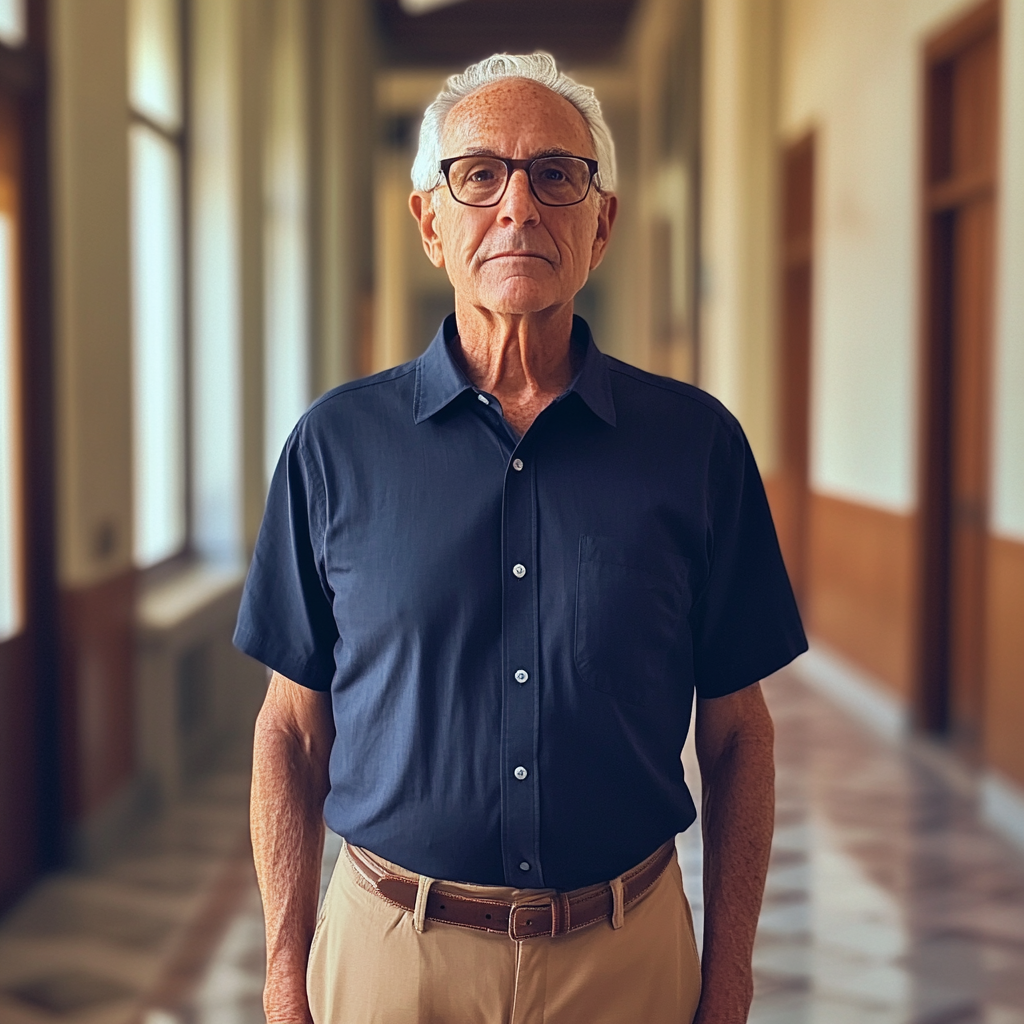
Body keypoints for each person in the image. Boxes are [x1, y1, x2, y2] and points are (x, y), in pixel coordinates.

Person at [235, 51, 806, 1024]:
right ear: (430, 221)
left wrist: (731, 973)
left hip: (625, 961)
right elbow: (291, 731)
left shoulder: (696, 445)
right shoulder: (335, 444)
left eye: (556, 173)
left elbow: (738, 733)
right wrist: (287, 972)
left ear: (601, 222)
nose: (517, 207)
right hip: (390, 959)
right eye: (478, 174)